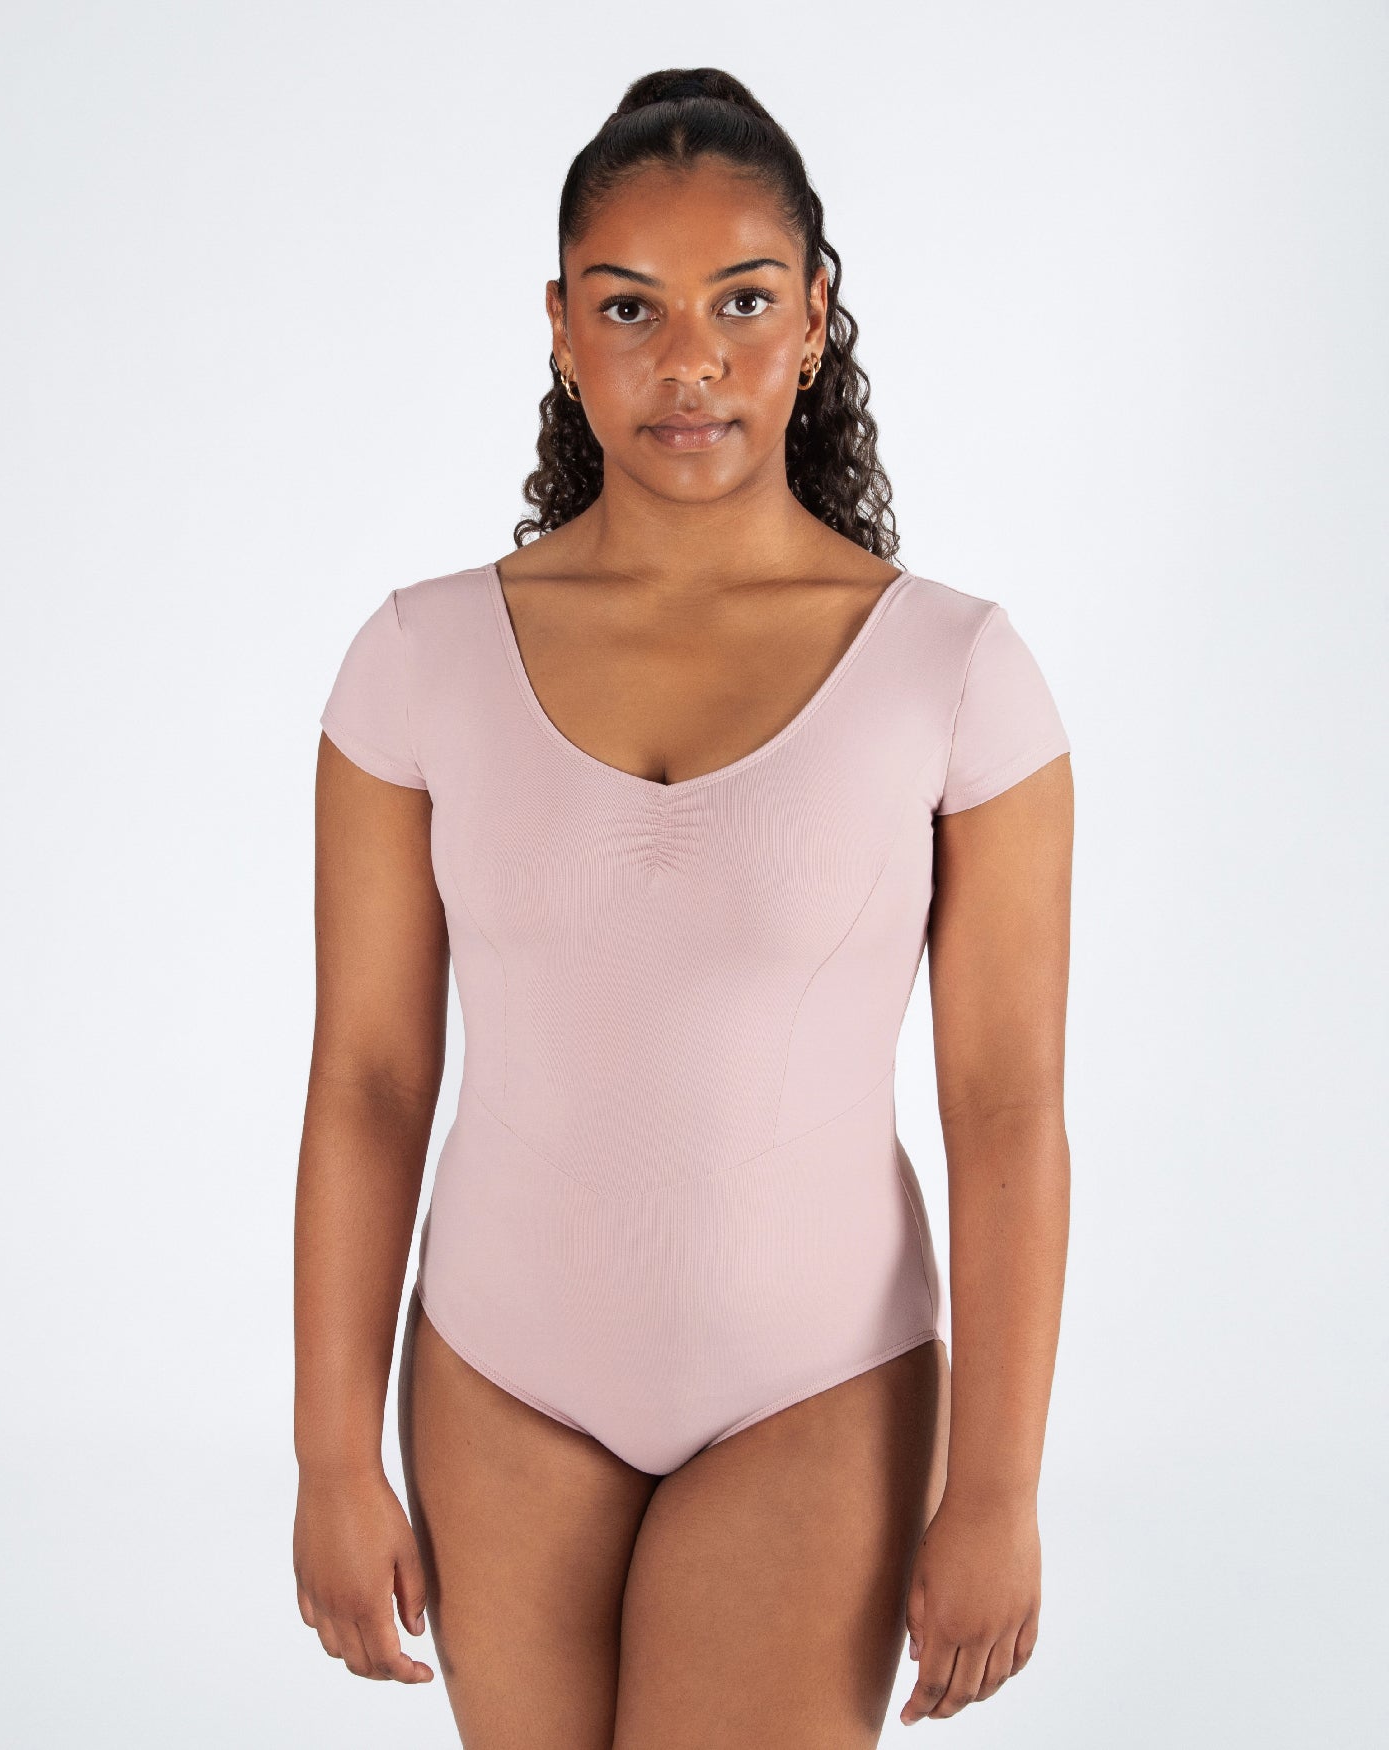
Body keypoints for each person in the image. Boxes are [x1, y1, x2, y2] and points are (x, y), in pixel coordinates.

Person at [293, 66, 1073, 1747]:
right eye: (630, 305)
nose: (690, 359)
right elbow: (367, 1078)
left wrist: (999, 1487)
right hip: (499, 1374)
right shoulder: (417, 660)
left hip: (819, 1388)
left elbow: (1007, 1100)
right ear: (562, 329)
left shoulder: (954, 672)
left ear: (814, 319)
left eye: (743, 300)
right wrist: (330, 1456)